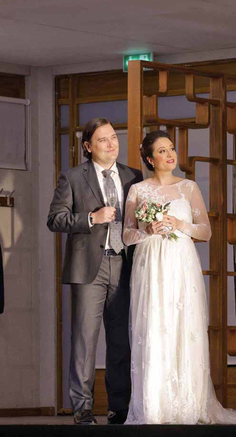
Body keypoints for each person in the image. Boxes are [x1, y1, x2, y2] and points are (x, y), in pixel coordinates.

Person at [122, 130, 236, 425]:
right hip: (150, 264)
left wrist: (180, 223)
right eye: (162, 151)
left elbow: (206, 231)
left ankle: (188, 404)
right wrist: (146, 231)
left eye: (171, 148)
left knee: (183, 326)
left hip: (180, 263)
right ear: (149, 159)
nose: (170, 154)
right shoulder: (138, 191)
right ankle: (155, 405)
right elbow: (126, 234)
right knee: (154, 327)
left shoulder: (188, 187)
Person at [47, 118, 142, 425]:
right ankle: (83, 409)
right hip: (90, 266)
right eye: (103, 140)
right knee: (85, 342)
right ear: (88, 146)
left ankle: (119, 408)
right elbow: (55, 219)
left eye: (114, 137)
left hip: (124, 265)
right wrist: (91, 217)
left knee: (120, 341)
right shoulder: (73, 177)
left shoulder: (133, 176)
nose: (111, 144)